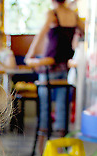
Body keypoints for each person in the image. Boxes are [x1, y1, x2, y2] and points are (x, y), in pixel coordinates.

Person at [25, 0, 84, 146]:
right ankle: (61, 146)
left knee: (45, 106)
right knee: (62, 107)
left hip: (49, 65)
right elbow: (85, 32)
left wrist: (29, 56)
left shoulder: (53, 14)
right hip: (65, 67)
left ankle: (42, 146)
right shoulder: (74, 16)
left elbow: (41, 35)